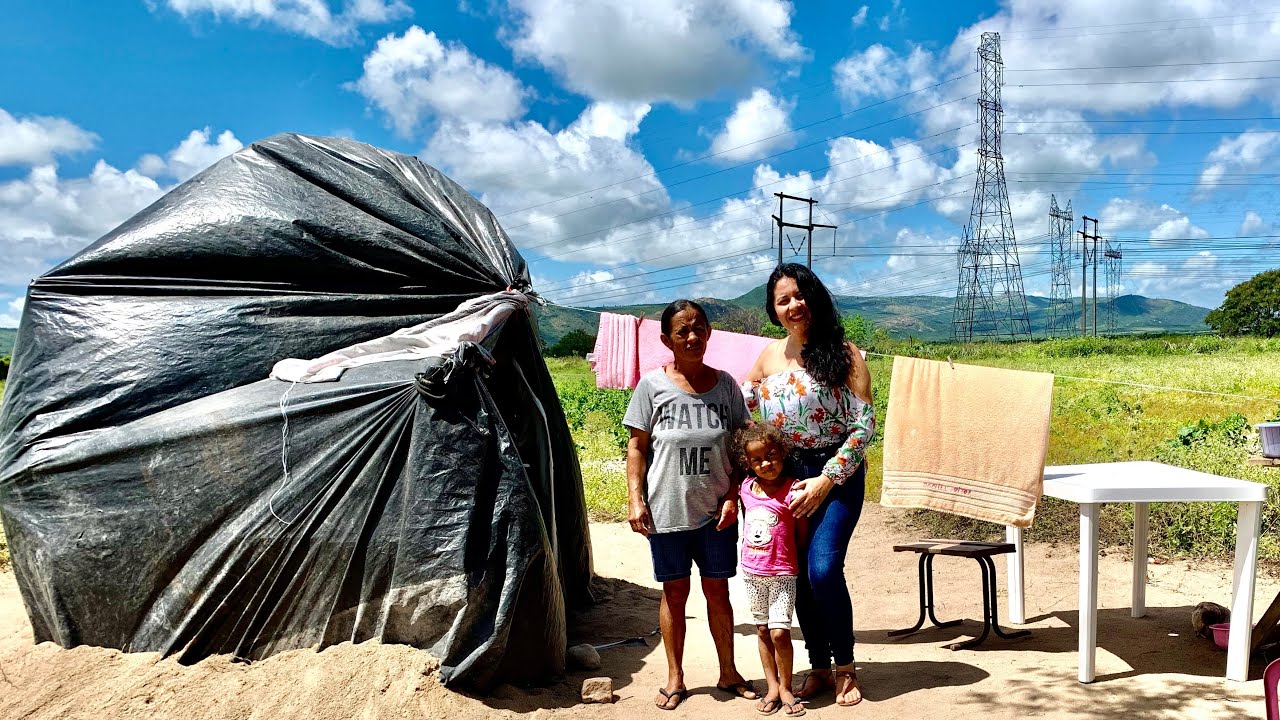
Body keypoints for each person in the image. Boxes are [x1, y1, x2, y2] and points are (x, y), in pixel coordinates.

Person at [743, 263, 876, 708]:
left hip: (836, 474)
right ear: (773, 310)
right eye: (783, 300)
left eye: (799, 295)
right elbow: (746, 411)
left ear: (813, 297)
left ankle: (845, 668)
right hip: (787, 476)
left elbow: (864, 425)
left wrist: (825, 479)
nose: (793, 305)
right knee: (795, 575)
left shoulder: (844, 352)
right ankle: (818, 667)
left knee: (822, 569)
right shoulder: (766, 358)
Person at [623, 299, 759, 711]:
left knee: (718, 592)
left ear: (710, 332)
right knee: (675, 592)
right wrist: (635, 498)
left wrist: (735, 495)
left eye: (699, 327)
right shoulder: (652, 386)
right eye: (682, 331)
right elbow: (636, 447)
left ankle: (728, 671)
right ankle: (675, 676)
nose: (693, 337)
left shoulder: (726, 386)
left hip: (717, 512)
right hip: (667, 510)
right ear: (667, 339)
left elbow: (742, 445)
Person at [734, 423, 805, 717]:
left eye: (771, 455)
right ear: (748, 464)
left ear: (782, 452)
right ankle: (772, 686)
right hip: (752, 573)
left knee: (779, 633)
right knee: (762, 630)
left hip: (783, 574)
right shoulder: (745, 489)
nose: (765, 463)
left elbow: (801, 531)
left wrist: (793, 560)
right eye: (756, 460)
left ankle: (786, 686)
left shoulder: (794, 489)